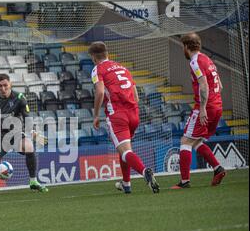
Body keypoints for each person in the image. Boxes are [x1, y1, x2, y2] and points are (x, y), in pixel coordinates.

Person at [88, 41, 160, 194]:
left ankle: (144, 171)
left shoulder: (98, 69)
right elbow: (136, 95)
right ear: (107, 54)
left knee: (125, 151)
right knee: (125, 150)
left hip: (117, 115)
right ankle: (126, 184)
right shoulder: (122, 67)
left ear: (93, 57)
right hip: (134, 113)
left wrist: (95, 115)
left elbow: (100, 92)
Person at [0, 73, 48, 195]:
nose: (3, 89)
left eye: (5, 85)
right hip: (0, 136)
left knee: (29, 147)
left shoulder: (19, 97)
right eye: (0, 86)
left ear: (10, 84)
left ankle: (33, 182)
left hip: (16, 133)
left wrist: (33, 132)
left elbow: (27, 118)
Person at [172, 33, 226, 189]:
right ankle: (218, 169)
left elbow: (204, 85)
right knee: (196, 141)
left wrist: (202, 108)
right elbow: (220, 87)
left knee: (185, 141)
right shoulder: (208, 60)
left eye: (183, 47)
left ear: (187, 47)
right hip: (217, 106)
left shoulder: (195, 62)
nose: (183, 49)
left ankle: (184, 182)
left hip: (206, 107)